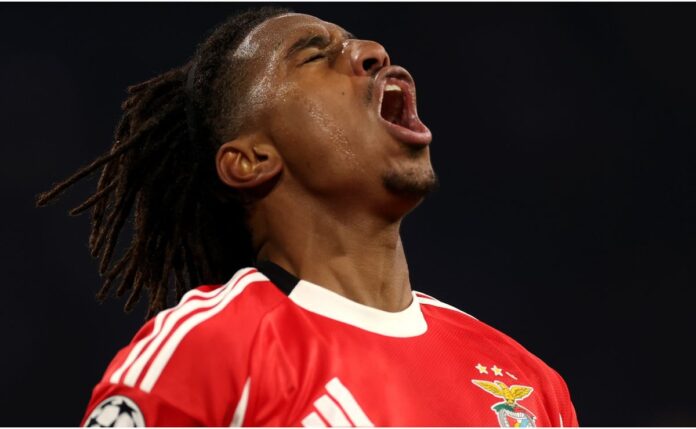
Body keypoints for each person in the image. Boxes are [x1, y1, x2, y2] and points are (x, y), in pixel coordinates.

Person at [38, 8, 578, 427]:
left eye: (358, 45)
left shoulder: (528, 382)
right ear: (251, 159)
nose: (373, 53)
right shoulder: (211, 350)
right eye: (315, 57)